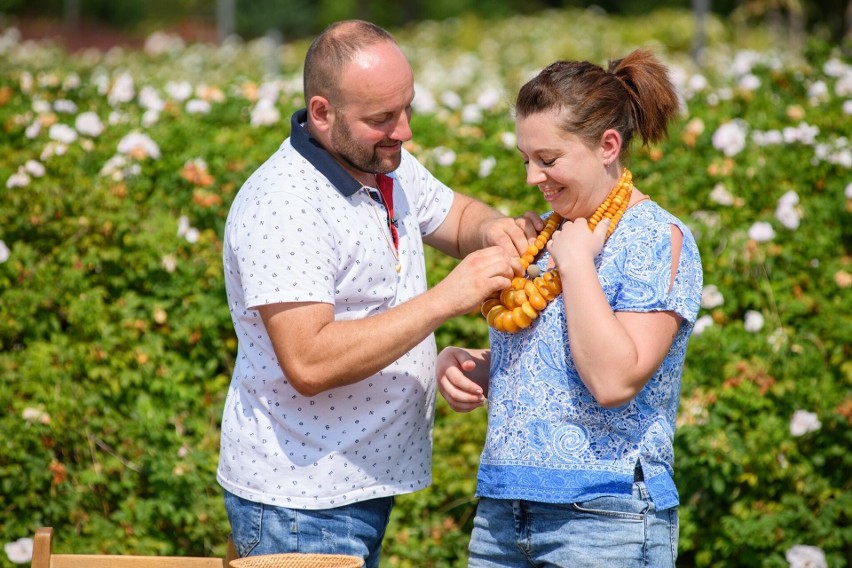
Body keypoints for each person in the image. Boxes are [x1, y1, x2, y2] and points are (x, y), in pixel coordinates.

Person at [217, 19, 538, 568]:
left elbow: (456, 216)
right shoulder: (285, 204)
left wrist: (493, 231)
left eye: (407, 108)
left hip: (354, 487)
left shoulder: (381, 164)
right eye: (382, 118)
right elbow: (309, 360)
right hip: (302, 503)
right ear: (322, 113)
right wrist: (446, 298)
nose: (405, 130)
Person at [437, 49, 704, 567]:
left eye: (549, 160)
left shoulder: (657, 238)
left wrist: (579, 264)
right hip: (502, 510)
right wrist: (476, 364)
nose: (532, 177)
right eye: (526, 159)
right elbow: (553, 359)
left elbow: (612, 380)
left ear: (607, 146)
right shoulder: (545, 233)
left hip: (603, 517)